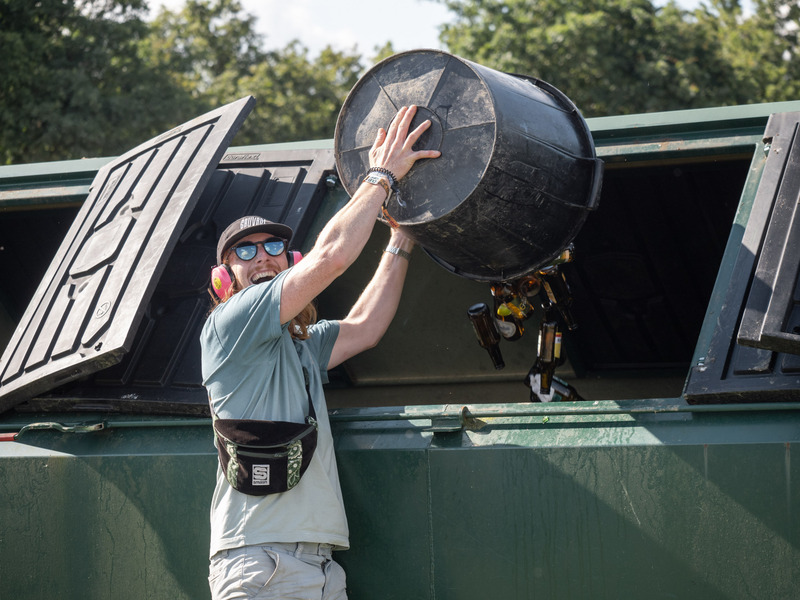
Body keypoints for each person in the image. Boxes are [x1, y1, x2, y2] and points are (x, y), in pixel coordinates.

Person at [200, 105, 440, 600]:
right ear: (225, 279)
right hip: (262, 560)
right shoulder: (233, 321)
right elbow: (333, 257)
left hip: (314, 562)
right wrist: (381, 176)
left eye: (271, 247)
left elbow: (364, 328)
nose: (261, 256)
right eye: (244, 252)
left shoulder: (298, 345)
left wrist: (401, 237)